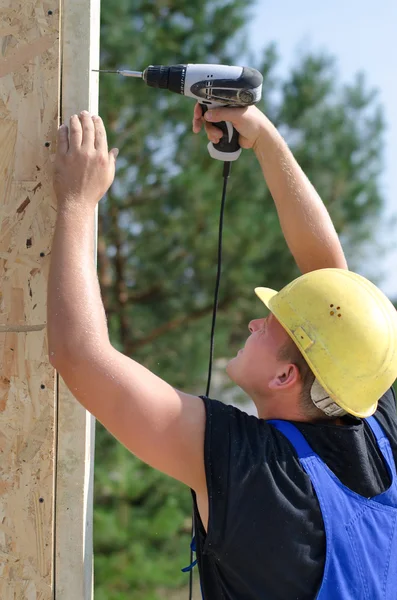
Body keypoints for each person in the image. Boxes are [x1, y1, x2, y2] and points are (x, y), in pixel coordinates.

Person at [49, 104, 397, 600]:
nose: (254, 322)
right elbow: (331, 286)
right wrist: (266, 141)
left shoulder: (258, 474)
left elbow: (80, 355)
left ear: (284, 377)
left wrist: (78, 202)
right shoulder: (370, 427)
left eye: (269, 325)